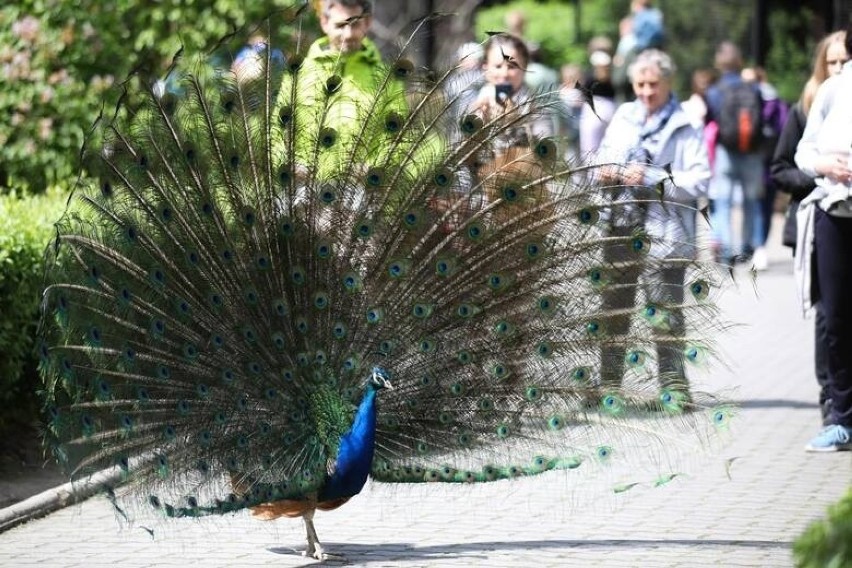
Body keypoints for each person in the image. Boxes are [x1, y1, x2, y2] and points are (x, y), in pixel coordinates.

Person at [595, 49, 711, 398]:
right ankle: (609, 386)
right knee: (614, 310)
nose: (646, 92)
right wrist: (605, 171)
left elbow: (700, 181)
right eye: (640, 84)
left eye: (653, 84)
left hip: (666, 233)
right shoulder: (623, 116)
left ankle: (674, 390)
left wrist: (651, 176)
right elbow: (602, 156)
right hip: (620, 226)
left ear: (668, 82)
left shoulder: (685, 123)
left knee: (666, 314)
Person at [770, 30, 847, 428]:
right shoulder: (807, 107)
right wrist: (819, 179)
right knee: (827, 317)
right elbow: (781, 167)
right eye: (831, 61)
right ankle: (830, 403)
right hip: (818, 223)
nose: (838, 68)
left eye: (843, 60)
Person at [793, 25, 852, 452]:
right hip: (836, 212)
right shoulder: (834, 89)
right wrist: (825, 165)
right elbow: (803, 151)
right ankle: (842, 418)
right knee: (836, 318)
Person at [280, 0, 409, 181]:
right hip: (303, 189)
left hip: (361, 191)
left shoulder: (388, 78)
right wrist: (287, 164)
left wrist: (375, 167)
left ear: (367, 23)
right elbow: (278, 127)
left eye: (354, 24)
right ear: (324, 23)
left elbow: (398, 135)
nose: (348, 34)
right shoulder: (298, 73)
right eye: (340, 25)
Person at [704, 41, 766, 266]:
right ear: (740, 62)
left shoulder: (714, 91)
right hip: (752, 152)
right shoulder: (753, 88)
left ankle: (727, 251)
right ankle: (750, 247)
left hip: (726, 152)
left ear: (719, 63)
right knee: (751, 201)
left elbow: (710, 121)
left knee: (723, 202)